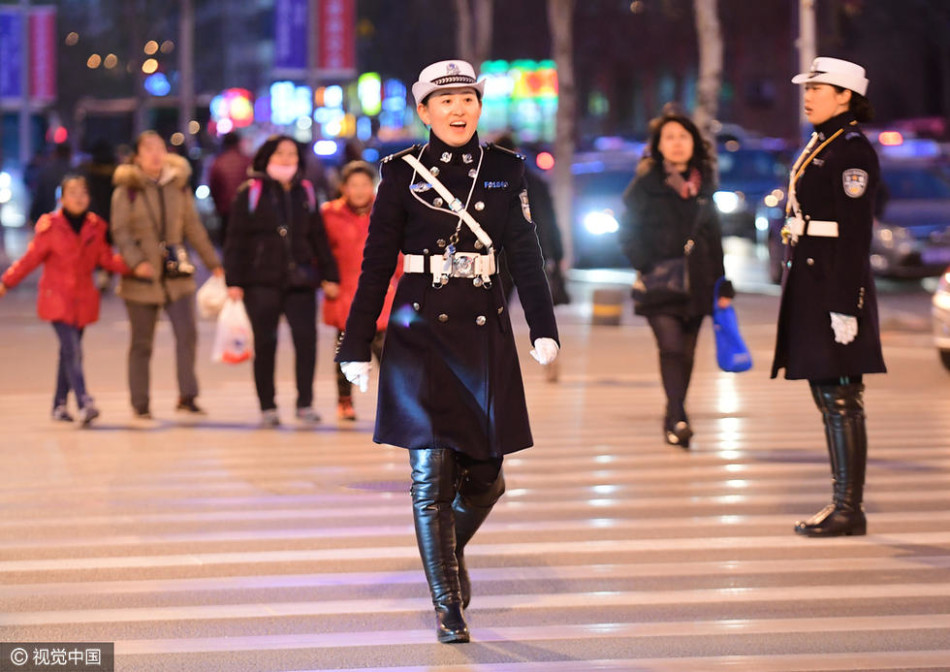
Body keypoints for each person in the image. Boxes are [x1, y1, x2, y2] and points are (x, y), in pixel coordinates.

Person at [336, 59, 559, 644]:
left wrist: (543, 326)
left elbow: (526, 255)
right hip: (419, 335)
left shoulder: (506, 169)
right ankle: (448, 606)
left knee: (487, 477)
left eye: (468, 99)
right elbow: (376, 266)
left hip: (484, 335)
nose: (459, 110)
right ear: (424, 110)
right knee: (429, 477)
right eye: (446, 101)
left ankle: (447, 548)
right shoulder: (400, 173)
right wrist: (355, 343)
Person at [772, 57, 886, 538]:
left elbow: (856, 233)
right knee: (827, 395)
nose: (808, 96)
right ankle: (842, 502)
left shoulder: (851, 150)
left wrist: (845, 304)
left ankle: (849, 508)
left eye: (818, 89)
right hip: (813, 281)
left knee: (842, 398)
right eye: (808, 88)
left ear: (845, 96)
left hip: (833, 285)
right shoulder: (824, 141)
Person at [620, 105, 735, 449]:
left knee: (686, 352)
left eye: (683, 137)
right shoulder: (645, 185)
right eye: (669, 137)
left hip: (698, 282)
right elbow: (627, 232)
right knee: (670, 347)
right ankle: (678, 415)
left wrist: (722, 283)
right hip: (660, 282)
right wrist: (645, 263)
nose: (677, 143)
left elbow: (714, 238)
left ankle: (675, 412)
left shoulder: (704, 185)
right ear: (658, 145)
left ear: (694, 143)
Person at [223, 135, 340, 427]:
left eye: (292, 154)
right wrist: (234, 280)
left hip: (300, 279)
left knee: (306, 341)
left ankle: (305, 403)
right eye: (280, 153)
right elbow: (235, 238)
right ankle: (268, 406)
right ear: (267, 158)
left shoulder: (306, 191)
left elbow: (318, 237)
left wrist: (329, 275)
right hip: (260, 281)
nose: (287, 159)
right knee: (266, 344)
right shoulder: (251, 191)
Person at [111, 131, 224, 419]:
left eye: (159, 148)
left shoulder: (179, 186)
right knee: (141, 343)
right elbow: (120, 232)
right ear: (137, 157)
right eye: (148, 149)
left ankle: (188, 395)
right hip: (141, 277)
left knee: (187, 335)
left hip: (177, 274)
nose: (155, 154)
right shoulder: (127, 190)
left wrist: (213, 263)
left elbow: (193, 227)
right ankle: (140, 403)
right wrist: (136, 262)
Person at [0, 175, 130, 426]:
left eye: (83, 193)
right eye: (73, 193)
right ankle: (84, 402)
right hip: (57, 298)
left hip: (83, 299)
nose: (79, 198)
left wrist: (135, 267)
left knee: (68, 352)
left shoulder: (95, 227)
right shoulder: (50, 227)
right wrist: (6, 282)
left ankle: (59, 404)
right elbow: (30, 260)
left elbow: (105, 258)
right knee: (72, 350)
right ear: (62, 199)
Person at [321, 160, 401, 421]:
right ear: (343, 187)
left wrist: (403, 280)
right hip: (346, 293)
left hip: (383, 292)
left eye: (364, 184)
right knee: (347, 350)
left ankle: (395, 403)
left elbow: (399, 249)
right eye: (353, 185)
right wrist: (325, 279)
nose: (359, 190)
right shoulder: (329, 214)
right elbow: (320, 252)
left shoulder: (386, 211)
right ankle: (344, 401)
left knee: (388, 353)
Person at [208, 132, 252, 246]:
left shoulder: (218, 162)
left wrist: (217, 206)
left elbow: (214, 187)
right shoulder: (247, 161)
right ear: (238, 143)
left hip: (225, 209)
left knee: (227, 241)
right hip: (245, 209)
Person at [29, 143, 73, 226]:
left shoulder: (46, 171)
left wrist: (32, 217)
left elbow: (39, 197)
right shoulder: (74, 172)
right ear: (69, 154)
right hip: (69, 218)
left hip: (48, 217)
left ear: (56, 153)